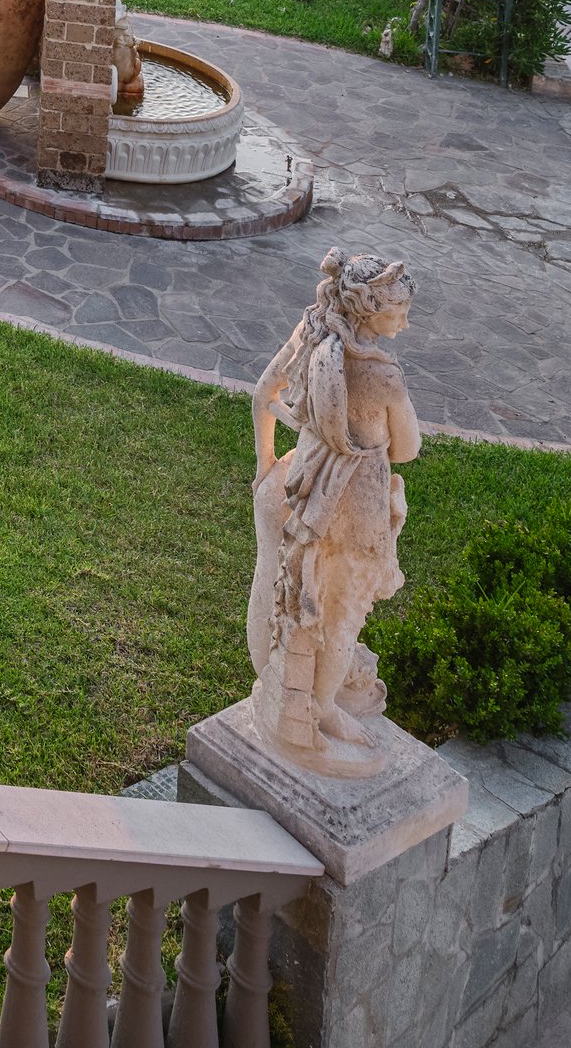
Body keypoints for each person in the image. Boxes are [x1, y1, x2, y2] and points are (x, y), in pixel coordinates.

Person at [247, 249, 424, 776]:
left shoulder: (313, 329)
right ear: (371, 311)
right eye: (399, 313)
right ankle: (319, 711)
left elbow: (263, 395)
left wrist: (265, 469)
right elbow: (408, 448)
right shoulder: (382, 377)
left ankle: (296, 688)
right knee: (344, 614)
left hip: (296, 483)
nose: (405, 322)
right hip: (352, 505)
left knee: (289, 599)